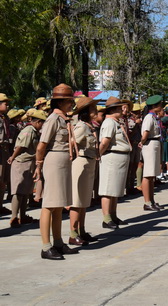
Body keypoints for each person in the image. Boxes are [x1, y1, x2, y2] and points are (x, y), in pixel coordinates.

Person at [34, 83, 79, 260]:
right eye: (69, 101)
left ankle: (58, 242)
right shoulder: (53, 119)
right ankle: (46, 246)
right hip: (54, 160)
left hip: (63, 162)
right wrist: (38, 165)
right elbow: (41, 145)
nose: (71, 104)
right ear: (59, 102)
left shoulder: (64, 119)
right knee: (49, 204)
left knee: (59, 205)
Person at [98, 96, 133, 230]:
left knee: (115, 190)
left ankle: (113, 215)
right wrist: (99, 155)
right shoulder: (109, 123)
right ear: (112, 110)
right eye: (119, 108)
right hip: (112, 157)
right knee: (108, 189)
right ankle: (106, 218)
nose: (122, 110)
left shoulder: (116, 122)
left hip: (119, 158)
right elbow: (105, 142)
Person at [7, 109, 45, 228]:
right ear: (37, 122)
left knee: (26, 192)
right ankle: (14, 217)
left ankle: (23, 216)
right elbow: (21, 146)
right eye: (42, 123)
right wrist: (12, 157)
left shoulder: (34, 131)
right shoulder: (28, 130)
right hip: (21, 162)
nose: (42, 126)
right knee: (18, 191)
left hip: (29, 162)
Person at [69, 96, 99, 245]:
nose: (96, 110)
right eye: (93, 108)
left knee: (85, 200)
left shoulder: (89, 126)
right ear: (86, 111)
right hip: (81, 163)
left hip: (89, 162)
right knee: (77, 200)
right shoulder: (81, 126)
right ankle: (73, 233)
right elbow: (72, 142)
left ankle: (82, 231)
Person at [140, 95, 165, 211]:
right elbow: (145, 133)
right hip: (149, 144)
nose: (161, 107)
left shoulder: (154, 117)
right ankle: (147, 202)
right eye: (160, 105)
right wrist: (141, 142)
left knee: (152, 176)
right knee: (148, 175)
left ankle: (152, 200)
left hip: (154, 144)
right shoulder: (149, 117)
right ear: (154, 106)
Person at [0, 93, 13, 216]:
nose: (8, 106)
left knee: (3, 180)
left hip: (5, 150)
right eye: (5, 103)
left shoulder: (5, 118)